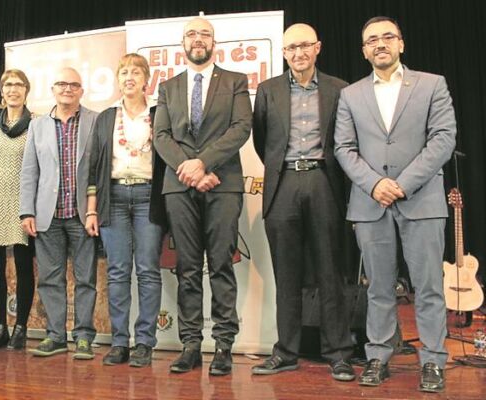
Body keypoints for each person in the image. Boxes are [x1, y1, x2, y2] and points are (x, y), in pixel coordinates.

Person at [334, 16, 456, 393]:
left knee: (429, 286)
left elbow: (443, 138)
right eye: (372, 40)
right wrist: (375, 185)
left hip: (421, 200)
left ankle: (433, 359)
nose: (380, 44)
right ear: (364, 50)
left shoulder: (432, 84)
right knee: (379, 288)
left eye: (388, 37)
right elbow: (343, 148)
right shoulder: (350, 95)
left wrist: (400, 185)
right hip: (371, 204)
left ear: (401, 44)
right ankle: (378, 356)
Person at [250, 23, 355, 381]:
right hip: (283, 184)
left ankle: (339, 351)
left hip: (325, 181)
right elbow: (262, 141)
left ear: (318, 48)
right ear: (283, 52)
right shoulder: (267, 90)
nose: (299, 53)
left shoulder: (339, 89)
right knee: (287, 273)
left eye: (305, 46)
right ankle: (286, 352)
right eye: (291, 47)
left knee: (331, 270)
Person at [153, 17, 252, 376]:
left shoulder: (235, 81)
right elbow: (161, 135)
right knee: (188, 269)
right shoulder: (167, 86)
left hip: (222, 183)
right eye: (192, 34)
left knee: (222, 266)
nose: (198, 39)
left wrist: (205, 163)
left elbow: (241, 127)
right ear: (183, 42)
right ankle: (190, 344)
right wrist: (190, 169)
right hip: (180, 185)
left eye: (204, 34)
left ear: (215, 41)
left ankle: (224, 345)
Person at [85, 53, 166, 368]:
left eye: (135, 72)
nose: (129, 77)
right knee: (117, 271)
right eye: (123, 73)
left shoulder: (160, 114)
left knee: (147, 270)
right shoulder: (106, 117)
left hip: (149, 196)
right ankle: (119, 342)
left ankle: (145, 343)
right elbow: (94, 167)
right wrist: (92, 210)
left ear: (146, 79)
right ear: (117, 80)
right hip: (113, 198)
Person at [20, 67, 98, 360]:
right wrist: (26, 210)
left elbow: (99, 169)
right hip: (46, 216)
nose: (68, 88)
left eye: (74, 84)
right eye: (62, 84)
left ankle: (83, 337)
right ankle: (55, 336)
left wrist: (94, 209)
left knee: (86, 279)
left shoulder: (95, 121)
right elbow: (29, 171)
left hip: (81, 214)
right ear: (53, 89)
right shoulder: (37, 125)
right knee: (50, 279)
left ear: (81, 90)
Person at [0, 69, 35, 351]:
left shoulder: (36, 123)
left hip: (23, 201)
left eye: (18, 84)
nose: (13, 89)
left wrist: (33, 207)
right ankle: (0, 326)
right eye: (8, 85)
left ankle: (21, 328)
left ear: (26, 90)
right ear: (1, 91)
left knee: (24, 266)